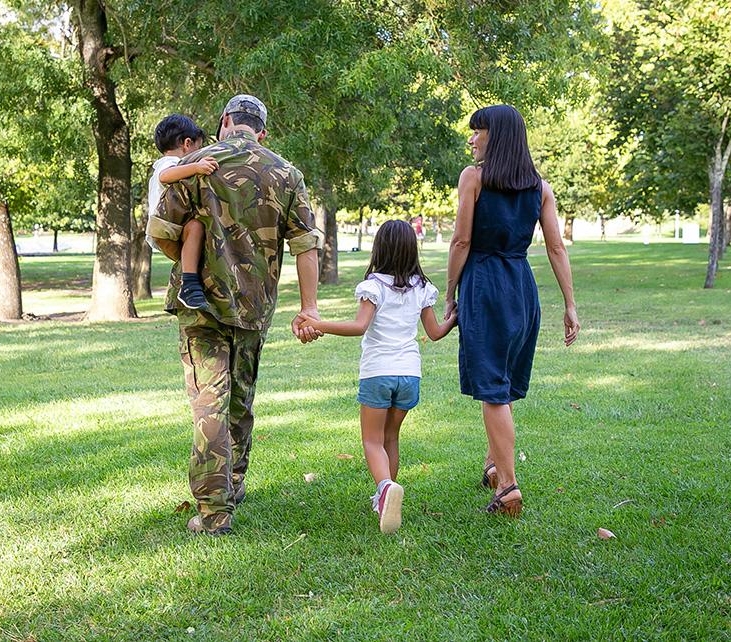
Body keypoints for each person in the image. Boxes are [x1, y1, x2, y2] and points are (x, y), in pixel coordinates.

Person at [148, 93, 322, 536]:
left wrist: (195, 265)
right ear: (261, 131)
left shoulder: (196, 163)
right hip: (254, 306)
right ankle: (235, 482)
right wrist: (309, 307)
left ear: (225, 121)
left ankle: (214, 513)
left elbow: (160, 231)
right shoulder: (287, 173)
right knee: (241, 399)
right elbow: (305, 247)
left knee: (210, 401)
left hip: (199, 305)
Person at [445, 104, 580, 517]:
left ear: (496, 136)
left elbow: (461, 242)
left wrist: (450, 293)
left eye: (477, 131)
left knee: (491, 389)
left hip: (485, 286)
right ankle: (493, 464)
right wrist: (570, 305)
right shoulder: (540, 187)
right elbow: (556, 247)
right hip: (522, 287)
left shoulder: (474, 179)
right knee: (501, 384)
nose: (471, 138)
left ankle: (507, 486)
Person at [296, 219, 455, 535]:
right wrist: (455, 317)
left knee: (371, 439)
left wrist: (319, 323)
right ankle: (387, 495)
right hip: (409, 376)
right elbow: (435, 333)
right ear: (412, 250)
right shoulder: (422, 288)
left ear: (379, 248)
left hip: (378, 374)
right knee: (390, 437)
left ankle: (385, 488)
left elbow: (359, 327)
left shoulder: (373, 287)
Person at [144, 114, 219, 310]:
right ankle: (189, 285)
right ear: (187, 143)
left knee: (195, 234)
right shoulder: (168, 163)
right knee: (196, 227)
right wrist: (197, 166)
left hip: (171, 228)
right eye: (198, 148)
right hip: (165, 228)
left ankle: (192, 284)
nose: (199, 153)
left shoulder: (176, 164)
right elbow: (166, 175)